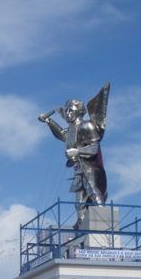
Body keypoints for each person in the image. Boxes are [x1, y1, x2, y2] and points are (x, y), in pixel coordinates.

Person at [38, 83, 110, 213]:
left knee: (93, 191)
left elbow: (94, 147)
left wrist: (78, 151)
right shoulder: (70, 130)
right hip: (78, 169)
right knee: (79, 202)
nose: (68, 113)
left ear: (79, 111)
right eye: (66, 110)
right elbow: (61, 134)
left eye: (71, 110)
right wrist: (49, 121)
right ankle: (81, 225)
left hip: (90, 168)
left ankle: (104, 219)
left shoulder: (86, 126)